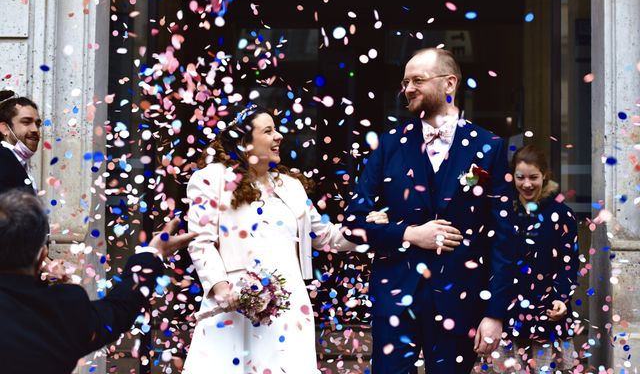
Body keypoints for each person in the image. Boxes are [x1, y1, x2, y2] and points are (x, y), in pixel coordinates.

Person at [343, 47, 516, 373]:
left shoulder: (489, 147)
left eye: (417, 80)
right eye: (405, 81)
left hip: (460, 301)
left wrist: (495, 313)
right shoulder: (389, 144)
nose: (408, 89)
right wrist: (410, 234)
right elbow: (352, 222)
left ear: (449, 84)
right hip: (395, 296)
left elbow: (503, 237)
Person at [183, 105, 385, 373]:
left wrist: (366, 229)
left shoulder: (290, 186)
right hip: (235, 303)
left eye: (276, 129)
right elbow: (201, 240)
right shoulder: (212, 179)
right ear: (244, 142)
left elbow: (325, 236)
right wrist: (221, 287)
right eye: (268, 131)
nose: (278, 136)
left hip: (286, 309)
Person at [0, 188, 197, 374]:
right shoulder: (64, 308)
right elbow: (120, 308)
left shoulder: (63, 306)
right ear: (43, 255)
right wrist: (154, 253)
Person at [489, 145, 579, 373]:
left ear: (545, 175)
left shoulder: (563, 215)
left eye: (533, 177)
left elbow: (569, 262)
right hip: (509, 312)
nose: (526, 184)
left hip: (547, 314)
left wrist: (561, 297)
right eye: (520, 177)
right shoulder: (503, 213)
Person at [0, 90, 41, 194]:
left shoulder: (17, 162)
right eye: (26, 122)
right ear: (4, 128)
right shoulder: (3, 161)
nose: (35, 129)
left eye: (38, 124)